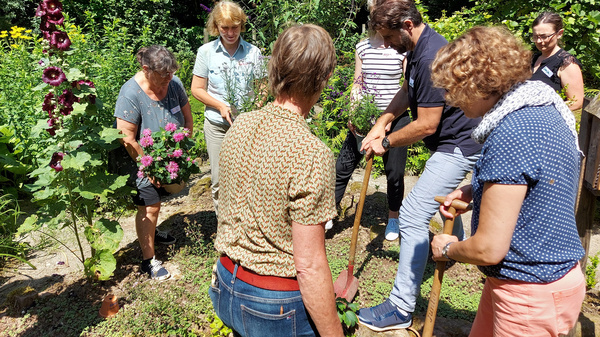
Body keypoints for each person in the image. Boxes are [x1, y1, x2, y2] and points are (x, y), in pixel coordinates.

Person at [430, 26, 585, 337]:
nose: (450, 101)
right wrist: (478, 189)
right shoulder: (544, 107)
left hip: (530, 293)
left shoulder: (510, 133)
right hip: (535, 280)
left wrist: (448, 248)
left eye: (453, 90)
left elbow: (488, 249)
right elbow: (537, 179)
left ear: (478, 84)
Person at [209, 24, 343, 337]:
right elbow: (308, 266)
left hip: (225, 283)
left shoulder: (240, 125)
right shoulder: (311, 153)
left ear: (275, 67)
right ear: (323, 79)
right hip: (272, 306)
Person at [356, 0, 482, 331]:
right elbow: (408, 92)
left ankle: (400, 306)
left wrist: (385, 142)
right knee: (445, 204)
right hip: (452, 140)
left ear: (408, 25)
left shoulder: (429, 56)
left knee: (412, 214)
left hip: (458, 144)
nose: (385, 44)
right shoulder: (418, 47)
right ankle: (450, 240)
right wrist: (384, 120)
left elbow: (426, 124)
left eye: (388, 37)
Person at [114, 45, 193, 280]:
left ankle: (153, 232)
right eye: (163, 75)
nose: (169, 79)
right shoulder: (130, 93)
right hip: (139, 159)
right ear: (146, 69)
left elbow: (187, 116)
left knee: (161, 199)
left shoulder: (174, 83)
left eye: (171, 73)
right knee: (149, 206)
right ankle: (148, 261)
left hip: (167, 157)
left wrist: (183, 145)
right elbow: (126, 138)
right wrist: (148, 167)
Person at [333, 2, 410, 237]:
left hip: (395, 120)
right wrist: (353, 112)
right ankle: (329, 213)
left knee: (394, 173)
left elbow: (407, 87)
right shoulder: (362, 47)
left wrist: (388, 119)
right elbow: (358, 83)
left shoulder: (401, 48)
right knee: (342, 168)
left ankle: (393, 218)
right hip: (365, 118)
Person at [190, 0, 263, 215]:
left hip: (247, 126)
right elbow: (197, 89)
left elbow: (263, 86)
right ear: (216, 27)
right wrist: (220, 105)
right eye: (225, 28)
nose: (230, 33)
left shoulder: (253, 52)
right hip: (217, 125)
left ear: (241, 25)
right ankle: (225, 229)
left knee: (249, 177)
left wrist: (255, 108)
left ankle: (248, 226)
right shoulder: (206, 52)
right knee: (220, 180)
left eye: (235, 27)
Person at [531, 12, 584, 111]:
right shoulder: (532, 59)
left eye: (544, 36)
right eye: (535, 37)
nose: (538, 41)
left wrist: (544, 112)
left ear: (559, 34)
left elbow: (576, 102)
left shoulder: (566, 63)